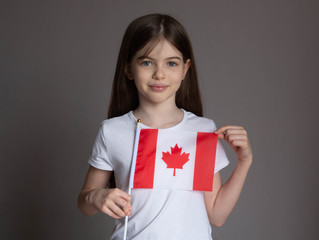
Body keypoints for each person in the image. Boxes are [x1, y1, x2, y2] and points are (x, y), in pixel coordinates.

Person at [78, 13, 252, 240]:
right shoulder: (112, 131)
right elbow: (85, 203)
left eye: (171, 63)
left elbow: (217, 215)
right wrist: (96, 197)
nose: (159, 74)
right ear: (129, 69)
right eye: (147, 62)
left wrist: (244, 161)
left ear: (184, 69)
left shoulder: (202, 130)